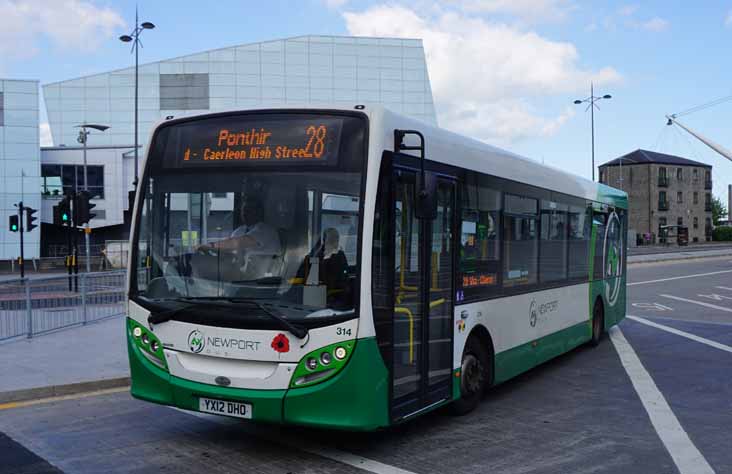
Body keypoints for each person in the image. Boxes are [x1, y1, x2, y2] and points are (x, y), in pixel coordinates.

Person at [200, 196, 281, 276]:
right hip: (242, 275)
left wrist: (211, 246)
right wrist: (212, 252)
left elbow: (238, 243)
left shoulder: (266, 230)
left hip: (264, 278)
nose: (244, 213)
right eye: (243, 210)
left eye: (249, 210)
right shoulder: (240, 231)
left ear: (259, 212)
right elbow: (228, 248)